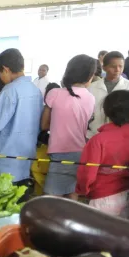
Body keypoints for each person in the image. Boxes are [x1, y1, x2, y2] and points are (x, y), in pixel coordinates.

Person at [77, 90, 129, 219]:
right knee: (125, 234)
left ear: (106, 111)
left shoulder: (99, 140)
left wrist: (84, 190)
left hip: (103, 196)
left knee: (100, 235)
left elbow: (88, 173)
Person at [0, 48, 42, 184]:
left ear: (6, 70)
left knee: (4, 201)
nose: (0, 78)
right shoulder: (35, 90)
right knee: (20, 198)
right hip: (26, 156)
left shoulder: (10, 91)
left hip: (6, 158)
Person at [40, 55, 98, 198]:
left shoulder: (55, 93)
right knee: (72, 195)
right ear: (90, 76)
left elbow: (43, 125)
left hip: (60, 151)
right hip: (81, 151)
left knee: (50, 200)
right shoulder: (91, 98)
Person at [87, 51, 129, 138]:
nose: (117, 70)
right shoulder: (92, 87)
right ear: (104, 67)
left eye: (120, 66)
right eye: (113, 66)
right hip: (95, 134)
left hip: (121, 137)